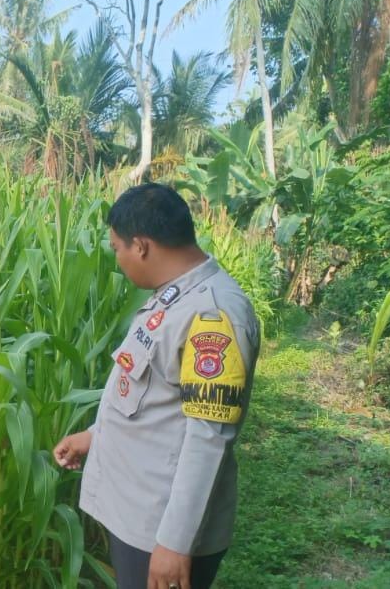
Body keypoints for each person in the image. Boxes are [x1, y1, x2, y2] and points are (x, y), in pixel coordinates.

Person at [54, 183, 260, 589]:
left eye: (117, 248)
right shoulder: (175, 295)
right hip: (139, 514)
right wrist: (96, 435)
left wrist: (174, 544)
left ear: (142, 246)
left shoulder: (212, 315)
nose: (117, 260)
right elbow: (154, 398)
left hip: (160, 527)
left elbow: (208, 437)